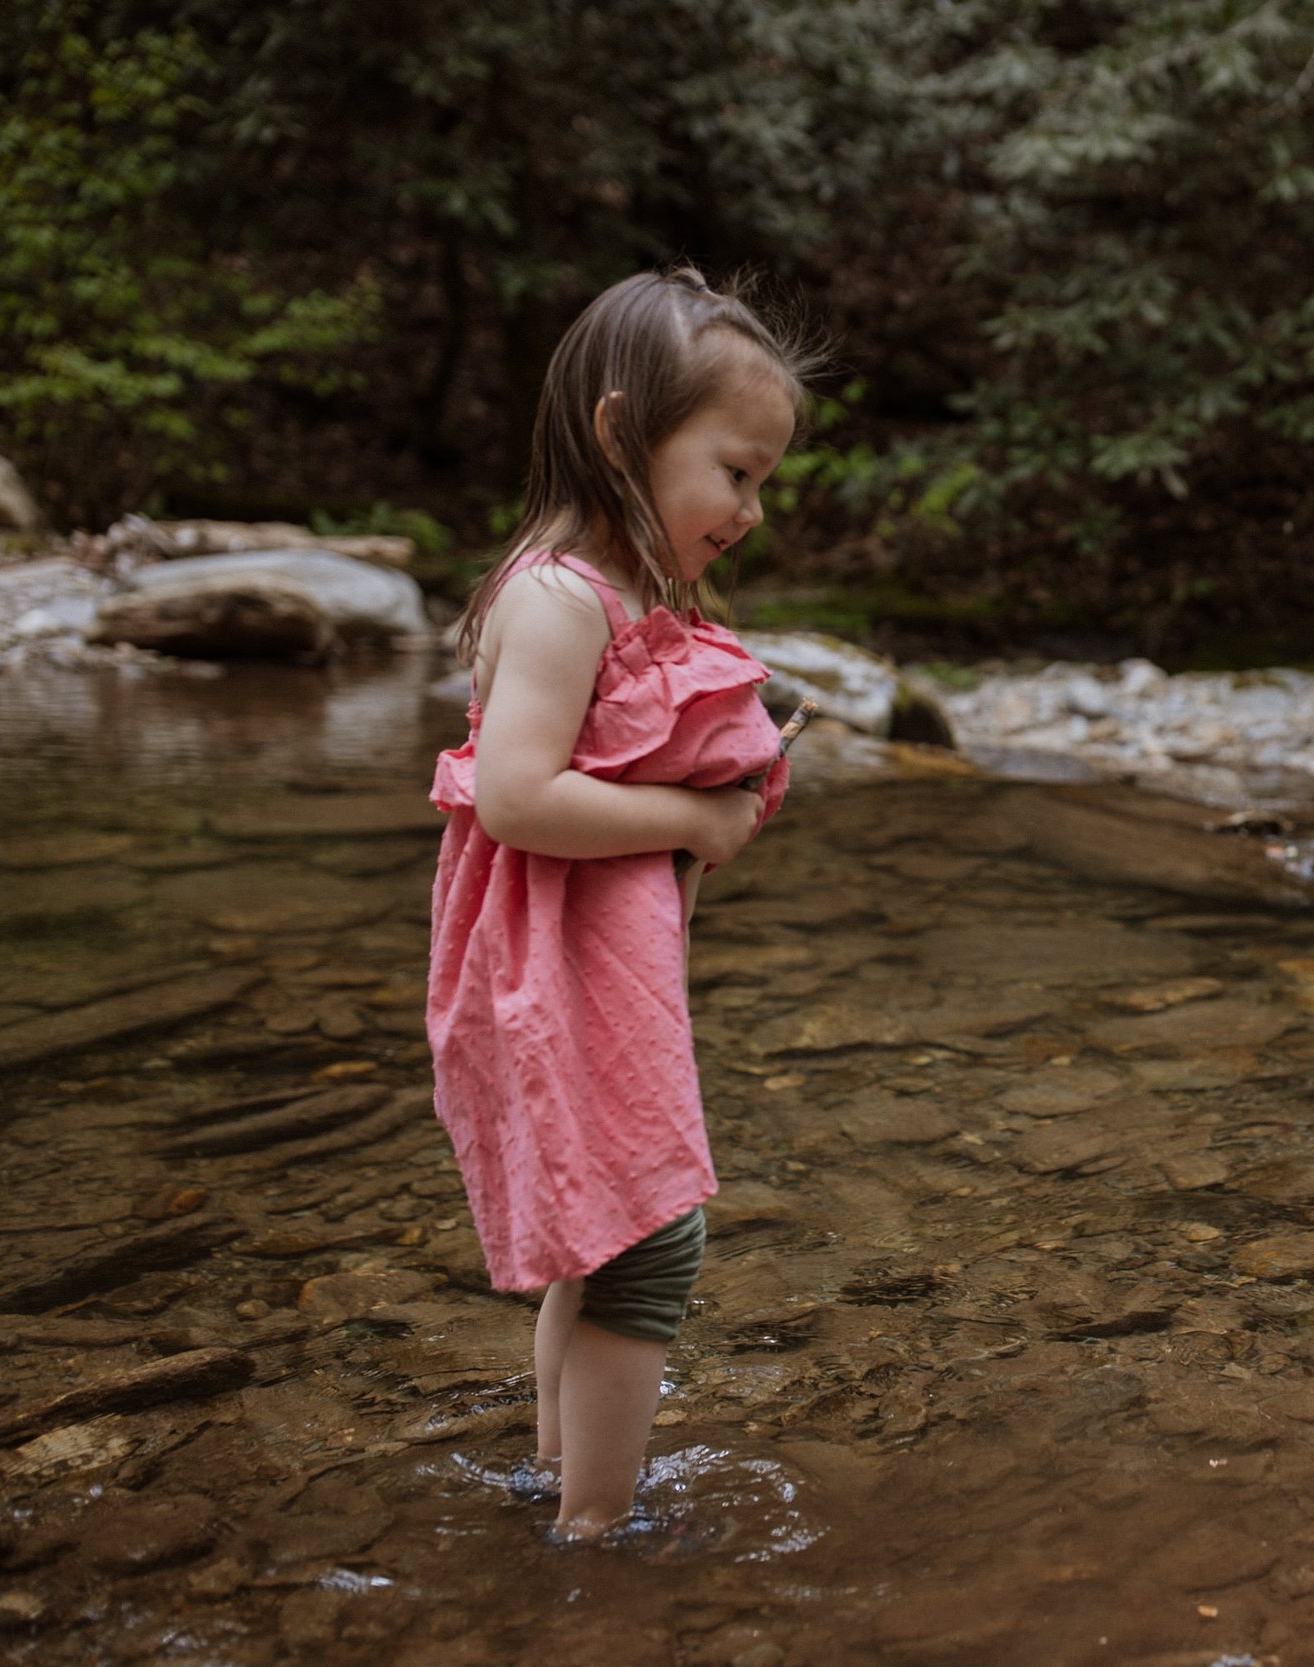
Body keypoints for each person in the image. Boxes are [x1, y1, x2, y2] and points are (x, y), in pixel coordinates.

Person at [425, 266, 816, 1539]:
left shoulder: (635, 596)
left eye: (763, 479)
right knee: (653, 1238)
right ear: (615, 434)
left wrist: (727, 799)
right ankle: (595, 1533)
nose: (751, 508)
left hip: (600, 964)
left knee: (607, 1231)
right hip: (547, 973)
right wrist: (697, 820)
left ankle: (557, 1479)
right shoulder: (556, 597)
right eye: (735, 470)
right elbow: (520, 797)